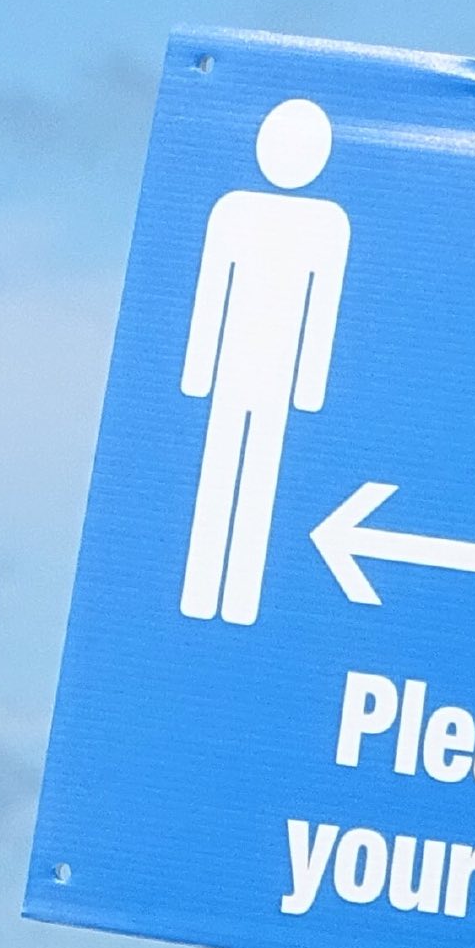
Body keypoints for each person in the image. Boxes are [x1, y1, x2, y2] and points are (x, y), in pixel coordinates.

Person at [177, 97, 351, 625]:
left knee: (258, 481)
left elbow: (322, 309)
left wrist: (309, 387)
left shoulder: (328, 223)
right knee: (220, 471)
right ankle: (200, 593)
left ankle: (238, 599)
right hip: (236, 368)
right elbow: (213, 292)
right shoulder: (233, 211)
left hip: (275, 375)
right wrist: (197, 372)